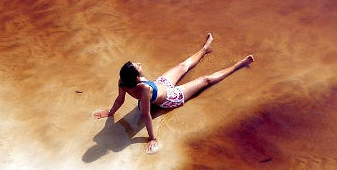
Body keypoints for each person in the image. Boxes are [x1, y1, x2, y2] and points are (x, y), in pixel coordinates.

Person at [93, 34, 254, 153]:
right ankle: (239, 64)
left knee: (183, 66)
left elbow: (120, 100)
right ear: (135, 78)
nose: (140, 63)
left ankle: (205, 48)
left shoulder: (124, 81)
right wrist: (152, 138)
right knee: (205, 80)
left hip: (161, 84)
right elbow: (145, 114)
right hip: (171, 97)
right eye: (137, 66)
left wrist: (110, 113)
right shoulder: (142, 89)